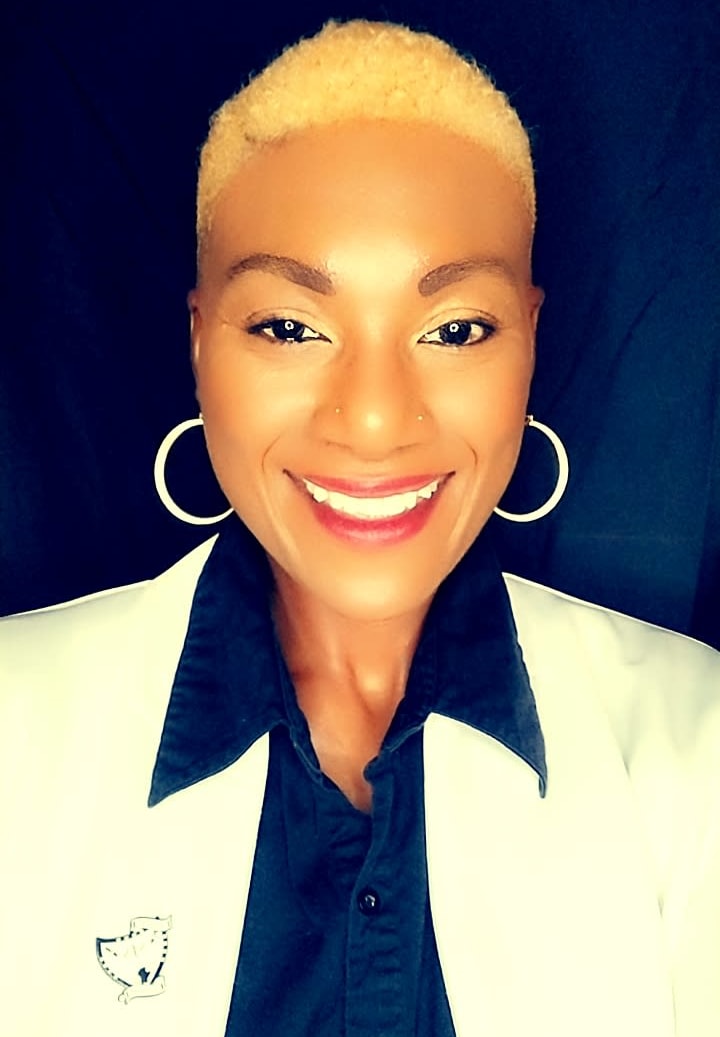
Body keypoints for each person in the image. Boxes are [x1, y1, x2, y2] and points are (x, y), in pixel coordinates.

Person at [1, 18, 719, 1037]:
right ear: (200, 341)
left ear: (528, 339)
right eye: (290, 327)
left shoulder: (696, 751)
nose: (376, 419)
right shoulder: (16, 731)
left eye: (455, 329)